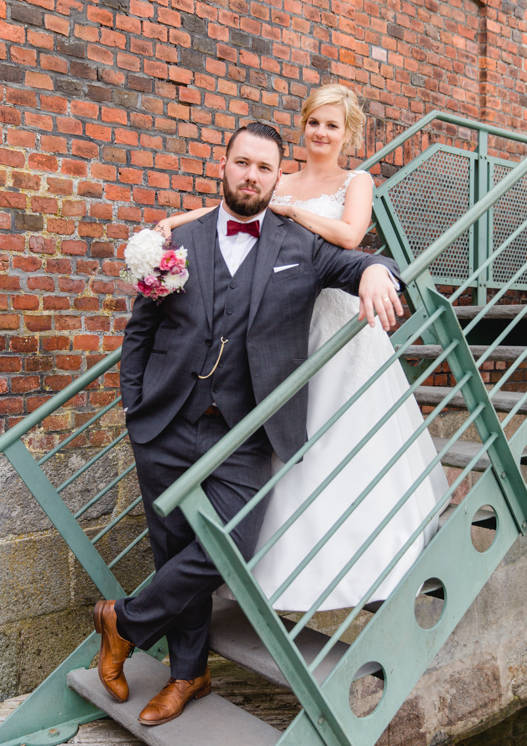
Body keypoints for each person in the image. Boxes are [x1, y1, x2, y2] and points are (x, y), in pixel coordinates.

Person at [94, 120, 403, 727]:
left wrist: (372, 271)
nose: (252, 176)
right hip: (163, 423)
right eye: (243, 163)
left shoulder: (299, 244)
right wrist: (135, 405)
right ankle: (189, 675)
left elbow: (355, 262)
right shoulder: (178, 242)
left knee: (225, 549)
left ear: (275, 176)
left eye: (265, 168)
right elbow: (142, 329)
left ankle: (122, 622)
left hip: (246, 430)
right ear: (225, 164)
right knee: (172, 550)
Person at [157, 85, 449, 612]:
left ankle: (369, 562)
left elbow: (349, 235)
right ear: (304, 125)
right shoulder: (280, 177)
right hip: (285, 321)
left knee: (344, 435)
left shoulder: (356, 180)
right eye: (314, 122)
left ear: (348, 133)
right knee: (285, 434)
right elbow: (237, 208)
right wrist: (180, 223)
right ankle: (282, 571)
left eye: (332, 126)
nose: (320, 133)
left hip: (337, 319)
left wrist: (291, 211)